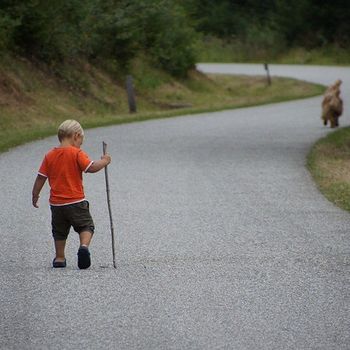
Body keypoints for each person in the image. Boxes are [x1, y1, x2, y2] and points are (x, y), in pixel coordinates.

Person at [32, 120, 111, 269]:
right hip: (76, 201)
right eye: (81, 140)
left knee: (59, 232)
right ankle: (84, 247)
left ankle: (60, 258)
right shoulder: (76, 153)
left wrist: (35, 194)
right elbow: (91, 167)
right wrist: (105, 161)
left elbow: (41, 177)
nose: (81, 144)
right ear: (76, 136)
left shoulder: (49, 155)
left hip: (56, 204)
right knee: (86, 226)